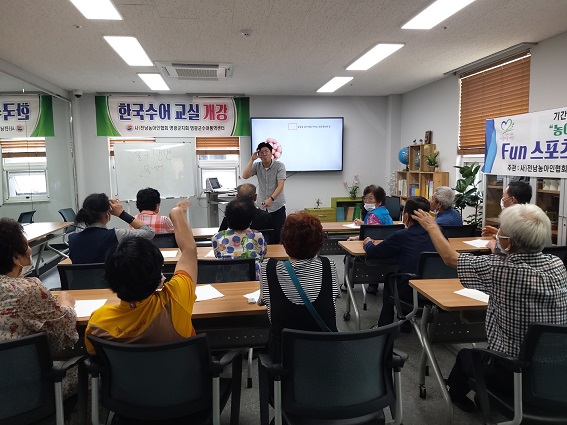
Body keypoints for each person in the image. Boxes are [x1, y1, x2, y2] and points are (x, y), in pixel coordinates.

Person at [412, 204, 567, 412]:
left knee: (466, 357)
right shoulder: (557, 264)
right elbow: (512, 259)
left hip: (514, 373)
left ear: (509, 242)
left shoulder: (499, 269)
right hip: (556, 372)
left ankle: (458, 397)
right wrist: (500, 241)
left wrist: (432, 226)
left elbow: (450, 258)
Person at [85, 204, 198, 353]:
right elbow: (189, 250)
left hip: (124, 370)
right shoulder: (175, 299)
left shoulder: (98, 322)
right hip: (181, 368)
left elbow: (93, 354)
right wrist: (177, 212)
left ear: (110, 279)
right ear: (159, 279)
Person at [0, 218, 79, 398]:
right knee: (90, 371)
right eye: (27, 245)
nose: (30, 249)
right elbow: (64, 325)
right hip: (28, 391)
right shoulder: (28, 289)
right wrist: (66, 302)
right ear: (16, 258)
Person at [259, 212, 339, 361]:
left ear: (284, 242)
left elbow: (262, 301)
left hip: (284, 358)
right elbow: (334, 298)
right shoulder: (329, 266)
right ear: (320, 242)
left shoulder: (268, 268)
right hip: (325, 356)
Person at [363, 196, 435, 329]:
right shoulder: (439, 234)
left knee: (391, 279)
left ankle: (385, 326)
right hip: (436, 289)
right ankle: (405, 323)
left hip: (412, 292)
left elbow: (374, 252)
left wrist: (368, 243)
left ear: (406, 217)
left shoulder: (402, 236)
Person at [69, 193, 154, 263]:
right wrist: (122, 214)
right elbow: (149, 232)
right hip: (110, 279)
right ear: (107, 214)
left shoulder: (72, 239)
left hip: (80, 279)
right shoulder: (116, 235)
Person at [242, 142, 286, 244]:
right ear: (259, 155)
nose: (264, 154)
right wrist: (252, 159)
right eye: (261, 152)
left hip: (277, 206)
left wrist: (271, 199)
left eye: (266, 151)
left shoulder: (279, 166)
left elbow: (280, 185)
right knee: (260, 237)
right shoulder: (257, 166)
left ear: (271, 153)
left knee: (279, 236)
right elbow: (245, 175)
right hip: (261, 208)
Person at [212, 199, 267, 279]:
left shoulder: (217, 237)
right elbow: (263, 254)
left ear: (227, 218)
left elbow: (217, 255)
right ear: (250, 220)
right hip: (253, 281)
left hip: (225, 280)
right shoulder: (258, 236)